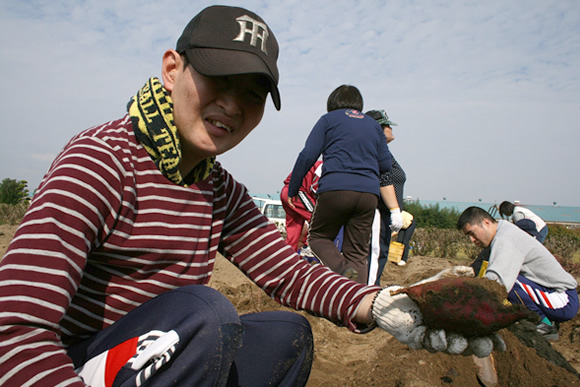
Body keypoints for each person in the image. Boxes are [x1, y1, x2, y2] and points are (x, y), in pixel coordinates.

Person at [0, 6, 504, 386]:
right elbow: (14, 330)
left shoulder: (216, 186)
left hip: (159, 354)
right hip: (74, 365)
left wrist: (380, 303)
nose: (231, 105)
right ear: (172, 69)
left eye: (252, 93)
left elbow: (286, 271)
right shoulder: (103, 160)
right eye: (217, 78)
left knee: (286, 337)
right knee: (208, 315)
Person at [286, 86, 392, 285]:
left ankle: (343, 270)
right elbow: (386, 164)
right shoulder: (372, 125)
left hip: (336, 189)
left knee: (318, 237)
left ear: (332, 103)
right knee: (358, 253)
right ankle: (356, 304)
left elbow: (308, 155)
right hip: (368, 194)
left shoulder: (328, 120)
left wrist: (294, 188)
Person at [458, 207, 578, 341]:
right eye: (468, 236)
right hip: (549, 293)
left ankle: (544, 324)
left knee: (505, 282)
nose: (471, 240)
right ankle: (543, 320)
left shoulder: (506, 239)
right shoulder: (503, 231)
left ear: (486, 222)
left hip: (563, 300)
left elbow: (496, 281)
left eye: (472, 233)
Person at [365, 109, 407, 286]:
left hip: (384, 214)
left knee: (379, 255)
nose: (391, 128)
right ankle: (366, 295)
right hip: (378, 211)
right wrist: (394, 210)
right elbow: (384, 179)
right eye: (387, 125)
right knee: (374, 255)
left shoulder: (383, 151)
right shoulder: (375, 149)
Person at [280, 161, 323, 252]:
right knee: (319, 219)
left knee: (293, 233)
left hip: (287, 192)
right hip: (297, 192)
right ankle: (308, 248)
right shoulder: (326, 166)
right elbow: (316, 189)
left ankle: (289, 258)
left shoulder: (322, 163)